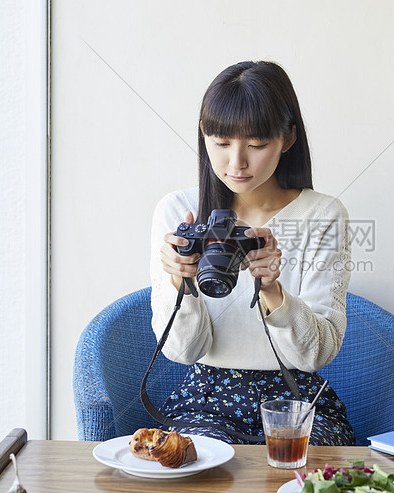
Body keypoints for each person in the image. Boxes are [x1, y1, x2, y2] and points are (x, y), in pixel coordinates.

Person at [149, 60, 354, 445]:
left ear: (288, 140)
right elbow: (184, 351)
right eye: (221, 143)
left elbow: (315, 356)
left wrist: (273, 291)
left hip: (295, 399)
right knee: (198, 466)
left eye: (257, 145)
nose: (236, 162)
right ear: (203, 134)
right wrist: (182, 281)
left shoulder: (323, 215)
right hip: (205, 400)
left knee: (301, 472)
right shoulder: (179, 213)